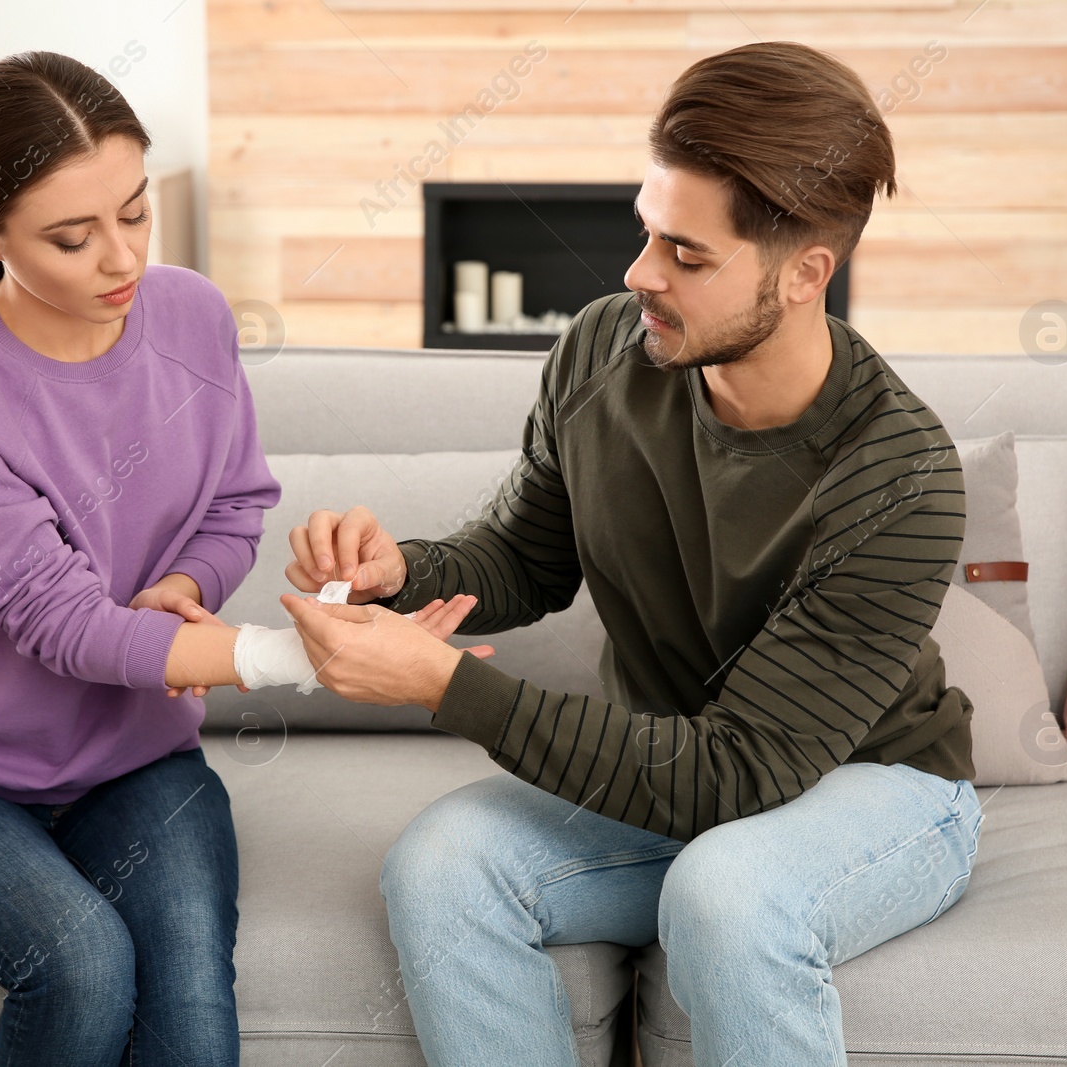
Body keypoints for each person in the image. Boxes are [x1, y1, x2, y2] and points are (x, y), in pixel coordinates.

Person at [275, 42, 983, 1067]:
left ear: (804, 275)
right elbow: (527, 553)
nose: (638, 273)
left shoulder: (900, 473)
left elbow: (744, 766)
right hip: (676, 764)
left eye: (687, 255)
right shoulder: (608, 348)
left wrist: (446, 688)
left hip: (874, 782)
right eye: (648, 230)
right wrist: (405, 572)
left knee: (728, 888)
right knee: (440, 862)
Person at [0, 51, 485, 1067]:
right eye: (71, 236)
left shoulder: (189, 314)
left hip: (135, 761)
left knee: (188, 1005)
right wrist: (297, 657)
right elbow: (62, 622)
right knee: (82, 962)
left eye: (135, 213)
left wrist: (183, 588)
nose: (120, 258)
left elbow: (233, 502)